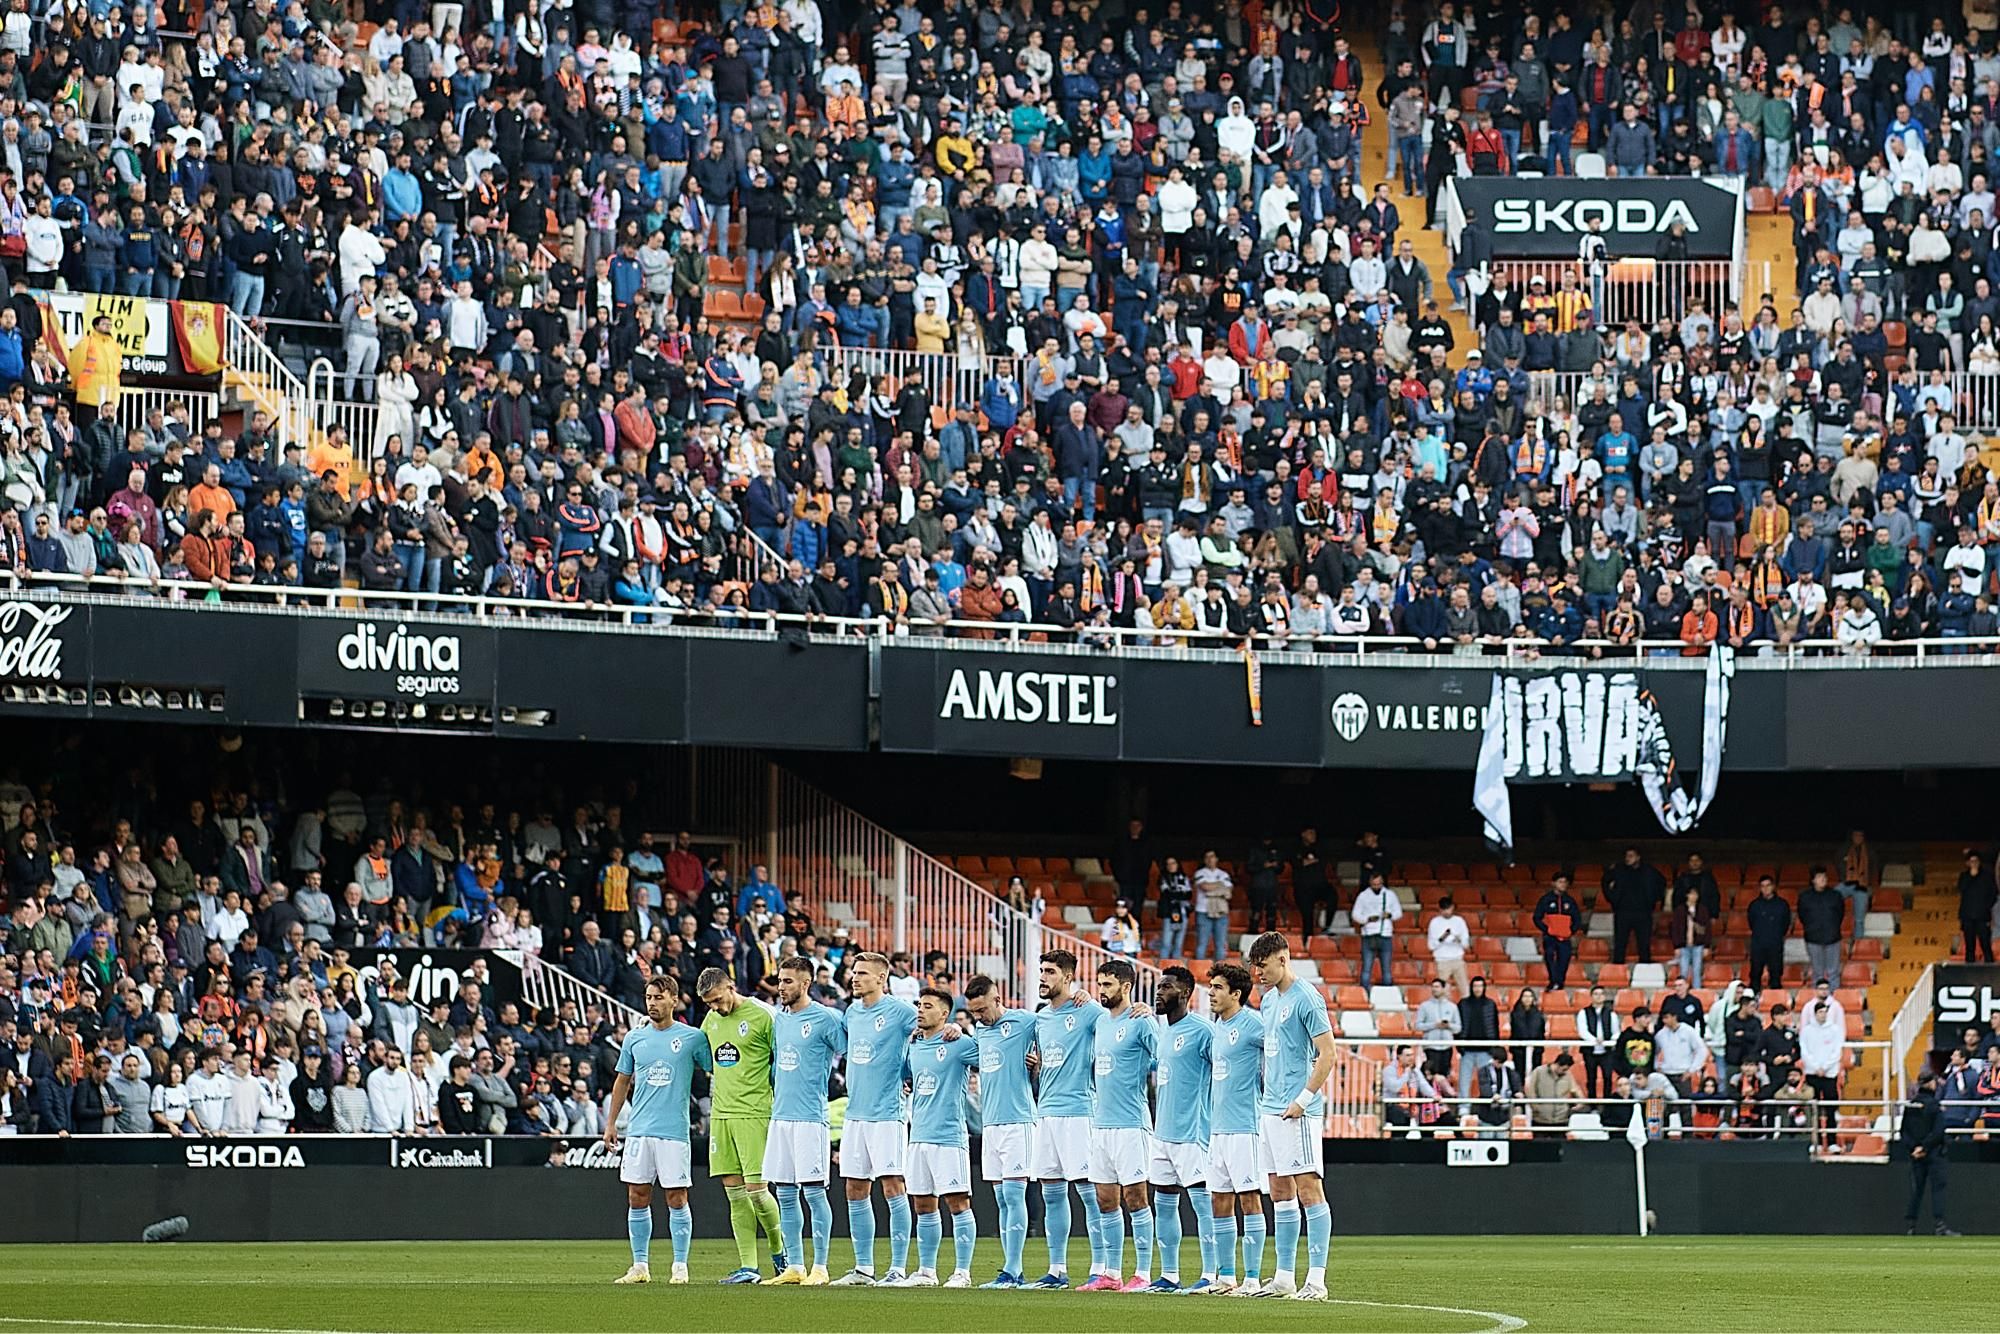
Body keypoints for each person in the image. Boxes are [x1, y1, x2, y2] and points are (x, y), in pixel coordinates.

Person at [604, 974, 711, 1286]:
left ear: (673, 1000)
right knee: (637, 1195)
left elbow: (714, 1069)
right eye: (649, 997)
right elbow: (622, 1080)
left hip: (673, 1131)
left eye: (658, 997)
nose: (652, 1003)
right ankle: (640, 1266)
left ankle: (680, 1266)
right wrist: (611, 1123)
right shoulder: (635, 1038)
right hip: (639, 1130)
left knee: (676, 1197)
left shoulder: (692, 1037)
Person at [1246, 931, 1335, 1302]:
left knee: (1309, 1190)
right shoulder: (1267, 1001)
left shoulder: (1308, 999)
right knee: (1279, 1192)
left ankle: (1316, 1280)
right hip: (1270, 1108)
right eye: (1254, 967)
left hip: (1298, 1111)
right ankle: (1284, 1277)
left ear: (1283, 959)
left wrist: (1303, 1098)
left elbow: (1328, 1053)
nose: (1257, 973)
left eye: (1263, 966)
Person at [827, 951, 918, 1287]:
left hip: (887, 1113)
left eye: (863, 973)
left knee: (893, 1185)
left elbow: (928, 1028)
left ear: (882, 978)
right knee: (854, 1187)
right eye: (854, 972)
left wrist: (950, 1028)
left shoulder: (900, 1011)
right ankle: (863, 1268)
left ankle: (897, 1267)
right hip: (856, 1114)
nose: (855, 977)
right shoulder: (852, 1013)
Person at [882, 987, 980, 1289]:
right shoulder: (913, 1046)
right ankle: (927, 1271)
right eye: (919, 1005)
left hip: (949, 1136)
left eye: (927, 1006)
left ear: (944, 1013)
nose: (920, 1010)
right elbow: (906, 1077)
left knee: (958, 1202)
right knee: (924, 1205)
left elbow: (990, 1053)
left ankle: (962, 1272)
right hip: (919, 1137)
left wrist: (961, 1029)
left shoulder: (960, 1043)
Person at [697, 965, 787, 1283]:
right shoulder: (710, 1020)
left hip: (755, 1112)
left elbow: (785, 1060)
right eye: (710, 1003)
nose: (716, 1008)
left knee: (757, 1191)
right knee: (734, 1192)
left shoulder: (765, 1015)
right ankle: (748, 1266)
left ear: (731, 987)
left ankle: (780, 1252)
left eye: (719, 1000)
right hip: (721, 1114)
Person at [764, 956, 844, 1286]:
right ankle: (795, 1265)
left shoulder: (826, 1019)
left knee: (813, 1193)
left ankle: (821, 1266)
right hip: (780, 1116)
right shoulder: (779, 1021)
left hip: (811, 1118)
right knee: (784, 1192)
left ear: (805, 983)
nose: (781, 987)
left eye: (787, 982)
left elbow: (852, 1053)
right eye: (780, 981)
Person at [1081, 958, 1159, 1293]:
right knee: (1105, 1199)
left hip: (1131, 1124)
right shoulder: (1100, 1023)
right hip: (1102, 1124)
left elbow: (1164, 1058)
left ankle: (1142, 1272)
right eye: (1099, 984)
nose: (1102, 990)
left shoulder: (1141, 1022)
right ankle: (1111, 1273)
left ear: (1126, 987)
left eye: (1108, 984)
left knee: (1137, 1197)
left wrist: (1152, 1016)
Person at [1029, 949, 1104, 1289]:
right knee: (1052, 1193)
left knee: (1090, 1192)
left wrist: (1141, 1008)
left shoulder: (1087, 1011)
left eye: (1050, 972)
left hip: (1078, 1111)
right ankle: (1056, 1269)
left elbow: (1117, 1019)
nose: (1042, 977)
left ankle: (1100, 1266)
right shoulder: (1041, 1017)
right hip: (1046, 1112)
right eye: (1041, 970)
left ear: (1068, 977)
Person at [963, 972, 1038, 1288]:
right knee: (1002, 1199)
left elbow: (1055, 1036)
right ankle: (1011, 1271)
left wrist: (1040, 1060)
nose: (978, 1017)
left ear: (997, 998)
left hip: (1018, 1120)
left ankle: (1014, 1269)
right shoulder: (981, 1030)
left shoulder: (1024, 1021)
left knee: (1013, 1193)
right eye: (973, 1012)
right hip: (991, 1124)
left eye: (982, 1009)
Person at [1146, 965, 1216, 1292]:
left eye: (1166, 988)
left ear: (1185, 994)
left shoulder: (1203, 1030)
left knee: (1204, 1205)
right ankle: (1170, 1275)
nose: (1159, 993)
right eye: (1159, 988)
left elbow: (1226, 1069)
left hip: (1192, 1134)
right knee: (1164, 1203)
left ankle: (1211, 1274)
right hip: (1163, 1134)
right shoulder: (1163, 1033)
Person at [1204, 963, 1267, 1296]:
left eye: (1217, 987)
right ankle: (1226, 1276)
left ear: (1236, 994)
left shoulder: (1253, 1024)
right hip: (1218, 1129)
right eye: (1211, 986)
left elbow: (1283, 1048)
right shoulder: (1216, 1027)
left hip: (1246, 1127)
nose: (1211, 992)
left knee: (1249, 1200)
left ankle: (1253, 1278)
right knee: (1220, 1201)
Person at [1899, 1068, 1957, 1236]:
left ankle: (1911, 1225)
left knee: (1916, 1189)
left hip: (1916, 1156)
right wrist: (1925, 1147)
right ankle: (1939, 1225)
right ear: (1931, 1083)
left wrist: (1914, 1148)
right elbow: (1938, 1131)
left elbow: (1904, 1131)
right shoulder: (1934, 1106)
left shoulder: (1911, 1106)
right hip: (1934, 1153)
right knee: (1937, 1189)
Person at [1602, 848, 1665, 964]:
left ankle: (1645, 970)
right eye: (1626, 856)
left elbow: (1661, 884)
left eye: (1631, 856)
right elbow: (1605, 882)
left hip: (1643, 912)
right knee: (1620, 943)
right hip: (1622, 912)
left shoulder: (1649, 870)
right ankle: (1617, 970)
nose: (1628, 858)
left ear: (1638, 857)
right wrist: (1613, 898)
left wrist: (1653, 900)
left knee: (1644, 944)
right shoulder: (1618, 869)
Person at [1531, 872, 1583, 990]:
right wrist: (1547, 929)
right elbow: (1536, 917)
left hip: (1565, 938)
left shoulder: (1570, 901)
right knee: (1550, 957)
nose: (1563, 885)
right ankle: (1553, 980)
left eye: (1565, 882)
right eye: (1560, 882)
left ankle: (1560, 983)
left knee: (1564, 960)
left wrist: (1571, 931)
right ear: (1553, 883)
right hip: (1550, 937)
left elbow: (1577, 919)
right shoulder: (1546, 899)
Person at [1351, 872, 1403, 989]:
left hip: (1385, 934)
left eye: (1378, 884)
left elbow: (1398, 913)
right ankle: (1364, 993)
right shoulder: (1363, 896)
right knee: (1367, 968)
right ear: (1370, 883)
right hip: (1369, 935)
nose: (1376, 887)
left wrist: (1389, 915)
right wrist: (1367, 919)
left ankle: (1386, 994)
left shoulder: (1390, 895)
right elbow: (1355, 915)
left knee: (1386, 969)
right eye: (1374, 884)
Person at [1425, 896, 1471, 998]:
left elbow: (1466, 943)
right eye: (1443, 910)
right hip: (1442, 961)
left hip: (1458, 960)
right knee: (1442, 992)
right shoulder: (1434, 922)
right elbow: (1430, 946)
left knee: (1465, 990)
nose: (1446, 912)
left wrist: (1458, 940)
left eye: (1448, 909)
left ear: (1452, 907)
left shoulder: (1459, 921)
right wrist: (1442, 938)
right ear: (1440, 909)